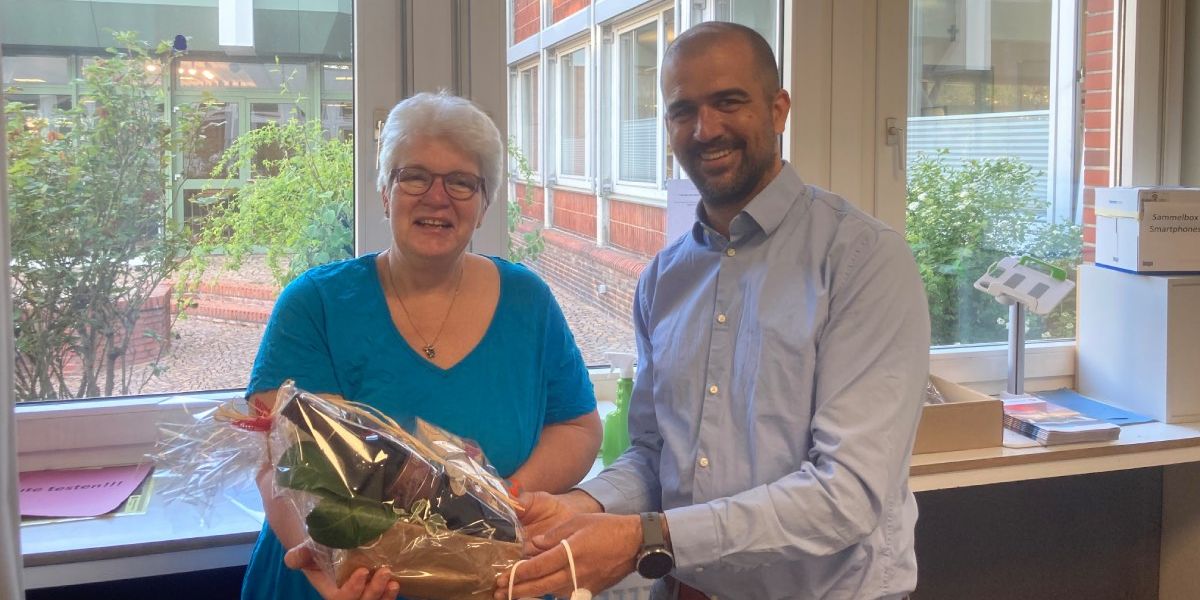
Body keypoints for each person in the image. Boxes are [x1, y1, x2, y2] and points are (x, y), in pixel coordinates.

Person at [498, 22, 930, 600]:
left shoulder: (861, 260)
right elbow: (656, 457)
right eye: (684, 111)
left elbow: (847, 494)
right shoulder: (664, 280)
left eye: (729, 102)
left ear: (778, 110)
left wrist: (643, 538)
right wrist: (580, 506)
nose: (705, 130)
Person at [240, 91, 602, 600]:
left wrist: (500, 502)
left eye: (461, 182)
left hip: (490, 577)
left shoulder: (529, 302)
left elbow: (577, 427)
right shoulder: (315, 304)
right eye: (414, 176)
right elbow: (277, 459)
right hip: (342, 583)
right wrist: (332, 567)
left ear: (484, 205)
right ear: (385, 192)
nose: (437, 197)